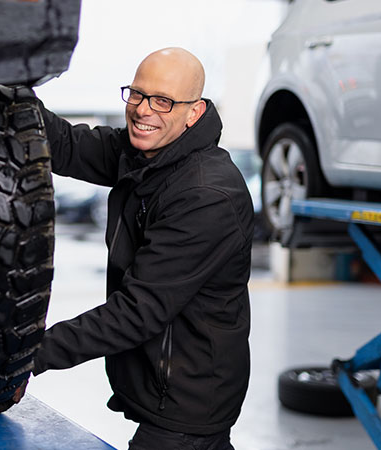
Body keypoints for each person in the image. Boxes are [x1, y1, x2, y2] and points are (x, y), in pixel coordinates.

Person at [30, 47, 254, 450]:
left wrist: (31, 354)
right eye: (136, 94)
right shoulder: (146, 154)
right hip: (163, 388)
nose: (143, 110)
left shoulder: (206, 194)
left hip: (187, 403)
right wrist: (9, 96)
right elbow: (64, 144)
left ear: (194, 113)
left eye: (163, 100)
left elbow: (137, 311)